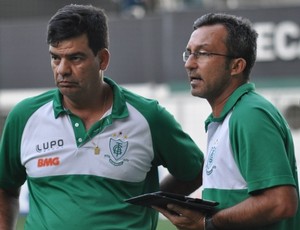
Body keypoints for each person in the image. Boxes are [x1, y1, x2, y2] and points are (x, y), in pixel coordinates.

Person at [0, 4, 204, 230]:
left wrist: (153, 202)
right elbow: (5, 187)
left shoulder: (149, 117)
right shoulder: (24, 116)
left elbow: (194, 171)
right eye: (55, 58)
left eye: (75, 58)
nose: (62, 70)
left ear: (103, 59)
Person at [154, 13, 300, 230]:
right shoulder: (228, 117)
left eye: (202, 53)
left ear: (236, 66)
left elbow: (281, 203)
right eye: (188, 53)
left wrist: (208, 223)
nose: (190, 64)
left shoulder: (250, 114)